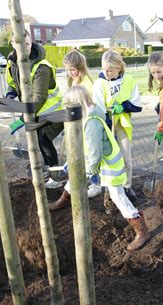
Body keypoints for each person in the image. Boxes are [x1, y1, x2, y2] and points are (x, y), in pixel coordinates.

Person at [49, 85, 150, 251]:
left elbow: (95, 154)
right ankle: (63, 200)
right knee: (74, 177)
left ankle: (142, 230)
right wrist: (72, 163)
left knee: (118, 196)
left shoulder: (91, 122)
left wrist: (88, 172)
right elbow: (87, 146)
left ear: (78, 104)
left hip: (110, 165)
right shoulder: (90, 114)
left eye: (70, 107)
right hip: (101, 161)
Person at [5, 30, 64, 189]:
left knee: (44, 140)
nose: (25, 48)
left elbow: (39, 98)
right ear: (12, 45)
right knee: (39, 140)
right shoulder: (12, 62)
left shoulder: (42, 67)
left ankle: (56, 177)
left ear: (32, 43)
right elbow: (12, 81)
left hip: (54, 112)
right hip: (36, 113)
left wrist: (23, 118)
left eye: (27, 44)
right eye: (20, 45)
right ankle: (48, 168)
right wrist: (10, 93)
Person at [93, 50, 142, 201]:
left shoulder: (129, 80)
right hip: (106, 125)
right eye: (104, 69)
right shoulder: (99, 83)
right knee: (109, 159)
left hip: (122, 125)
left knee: (126, 157)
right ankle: (110, 188)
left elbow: (137, 105)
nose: (106, 73)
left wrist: (124, 106)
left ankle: (127, 187)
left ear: (119, 67)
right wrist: (106, 126)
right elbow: (98, 109)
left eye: (110, 70)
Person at [63, 49, 100, 197]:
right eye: (68, 70)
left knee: (90, 154)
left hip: (85, 124)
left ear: (81, 66)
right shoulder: (74, 80)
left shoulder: (87, 84)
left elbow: (88, 106)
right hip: (75, 122)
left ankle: (96, 184)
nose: (70, 72)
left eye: (73, 69)